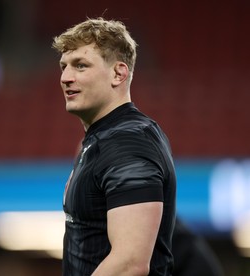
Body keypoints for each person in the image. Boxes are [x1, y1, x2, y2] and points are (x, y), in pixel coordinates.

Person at [52, 17, 176, 276]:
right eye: (63, 66)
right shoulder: (104, 138)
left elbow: (129, 265)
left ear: (119, 73)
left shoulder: (129, 142)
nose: (65, 77)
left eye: (80, 66)